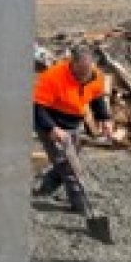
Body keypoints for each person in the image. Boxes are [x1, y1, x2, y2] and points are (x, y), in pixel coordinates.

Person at [32, 44, 115, 214]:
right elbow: (38, 108)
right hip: (50, 123)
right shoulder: (52, 76)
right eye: (80, 74)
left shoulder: (96, 76)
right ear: (72, 63)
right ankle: (81, 206)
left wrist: (105, 118)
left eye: (87, 74)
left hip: (73, 123)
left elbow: (97, 97)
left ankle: (46, 188)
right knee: (68, 166)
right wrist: (52, 128)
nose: (83, 78)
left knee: (67, 160)